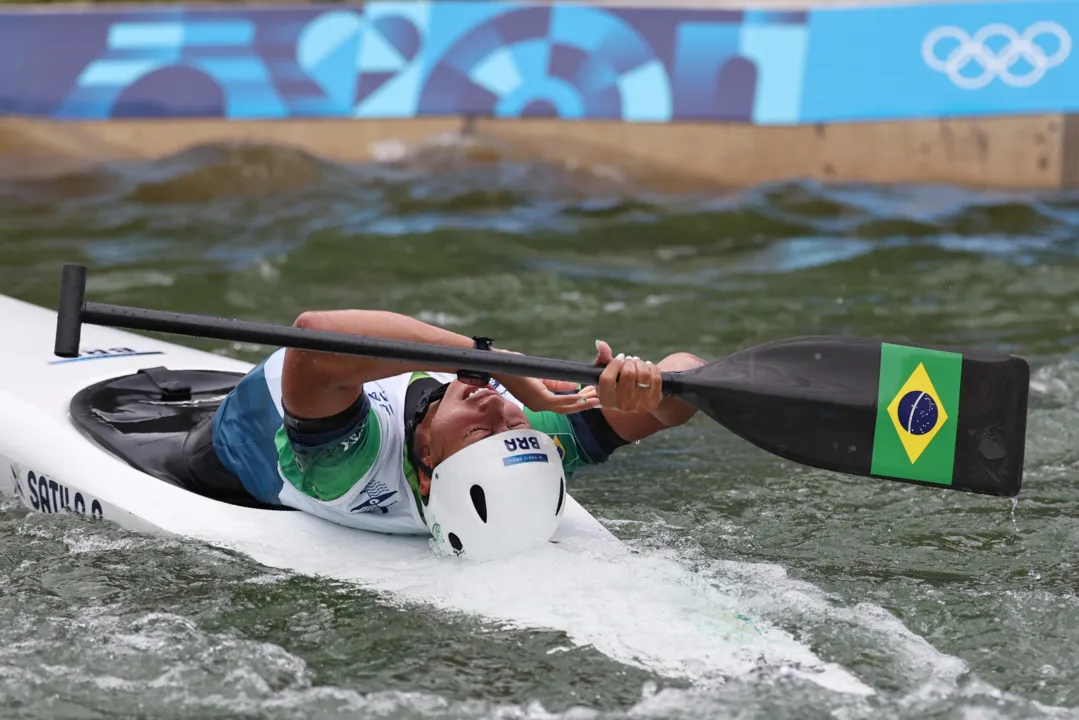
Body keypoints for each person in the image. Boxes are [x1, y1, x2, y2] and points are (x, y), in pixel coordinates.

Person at [193, 309, 705, 559]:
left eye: (480, 431)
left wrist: (488, 359)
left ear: (427, 469)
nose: (497, 406)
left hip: (236, 441)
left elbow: (313, 335)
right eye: (511, 424)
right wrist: (649, 388)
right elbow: (690, 382)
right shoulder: (534, 436)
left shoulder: (351, 468)